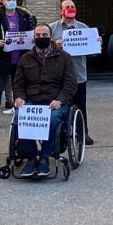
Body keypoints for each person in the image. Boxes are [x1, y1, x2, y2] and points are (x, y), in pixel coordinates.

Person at [12, 23, 77, 178]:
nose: (41, 38)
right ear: (34, 39)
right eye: (38, 36)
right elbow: (18, 84)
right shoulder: (25, 59)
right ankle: (31, 157)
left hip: (53, 102)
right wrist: (19, 97)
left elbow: (70, 84)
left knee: (53, 119)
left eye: (45, 35)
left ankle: (44, 157)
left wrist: (59, 100)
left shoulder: (64, 58)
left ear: (51, 37)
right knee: (20, 118)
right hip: (32, 100)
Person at [50, 0, 100, 146]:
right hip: (58, 76)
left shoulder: (84, 28)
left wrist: (97, 44)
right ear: (61, 11)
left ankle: (82, 134)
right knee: (61, 106)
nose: (70, 9)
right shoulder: (52, 29)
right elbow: (41, 48)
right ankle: (63, 135)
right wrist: (54, 44)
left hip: (79, 74)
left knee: (80, 106)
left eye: (72, 6)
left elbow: (93, 53)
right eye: (67, 7)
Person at [0, 0, 36, 131]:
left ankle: (21, 118)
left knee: (19, 91)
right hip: (2, 60)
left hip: (20, 59)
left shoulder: (24, 16)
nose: (11, 2)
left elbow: (30, 32)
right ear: (3, 1)